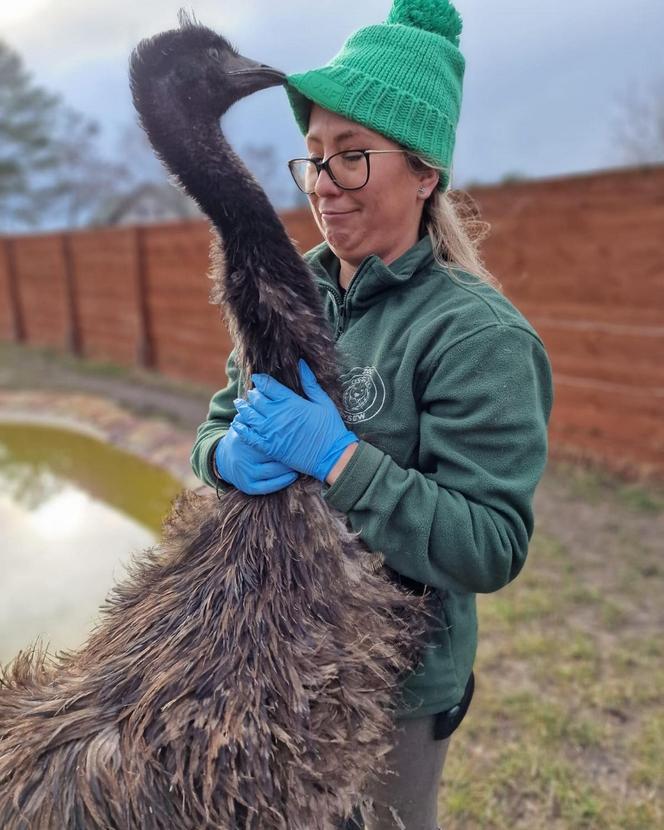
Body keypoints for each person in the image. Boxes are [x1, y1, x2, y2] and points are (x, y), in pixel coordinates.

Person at [190, 1, 554, 827]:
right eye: (314, 156)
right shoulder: (283, 290)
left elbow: (491, 545)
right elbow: (216, 422)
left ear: (425, 174)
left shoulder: (476, 336)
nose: (323, 183)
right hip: (276, 659)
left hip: (398, 691)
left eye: (353, 157)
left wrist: (342, 461)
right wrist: (222, 459)